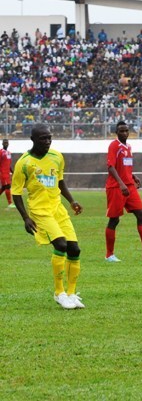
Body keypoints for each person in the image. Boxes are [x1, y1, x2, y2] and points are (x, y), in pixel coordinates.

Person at [11, 124, 85, 309]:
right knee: (61, 244)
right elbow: (16, 192)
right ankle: (59, 292)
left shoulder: (57, 157)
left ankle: (71, 293)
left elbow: (60, 181)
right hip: (40, 211)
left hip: (58, 209)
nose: (47, 141)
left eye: (49, 138)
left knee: (75, 250)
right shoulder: (24, 163)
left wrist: (72, 201)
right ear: (33, 140)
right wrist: (25, 218)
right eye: (43, 138)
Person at [105, 121, 142, 262]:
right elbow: (111, 167)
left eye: (126, 131)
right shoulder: (114, 146)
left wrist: (132, 176)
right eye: (121, 131)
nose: (124, 133)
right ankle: (109, 255)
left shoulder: (128, 147)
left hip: (129, 186)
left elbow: (125, 167)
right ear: (116, 132)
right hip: (116, 187)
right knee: (114, 220)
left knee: (141, 215)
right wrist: (121, 184)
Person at [0, 138, 15, 208]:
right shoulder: (1, 152)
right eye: (4, 142)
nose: (6, 143)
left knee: (3, 188)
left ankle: (10, 203)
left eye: (7, 142)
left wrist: (13, 171)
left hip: (7, 173)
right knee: (8, 187)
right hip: (3, 173)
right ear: (2, 144)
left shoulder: (9, 153)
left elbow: (8, 164)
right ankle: (10, 203)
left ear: (8, 144)